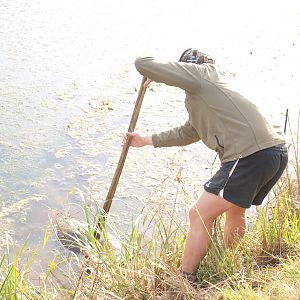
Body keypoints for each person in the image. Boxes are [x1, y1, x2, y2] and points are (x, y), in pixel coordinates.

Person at [124, 49, 288, 283]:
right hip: (275, 153)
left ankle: (185, 280)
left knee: (199, 214)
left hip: (249, 155)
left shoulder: (202, 75)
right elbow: (189, 132)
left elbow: (143, 62)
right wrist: (146, 140)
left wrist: (157, 73)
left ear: (188, 68)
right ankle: (229, 262)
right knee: (235, 209)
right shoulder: (210, 89)